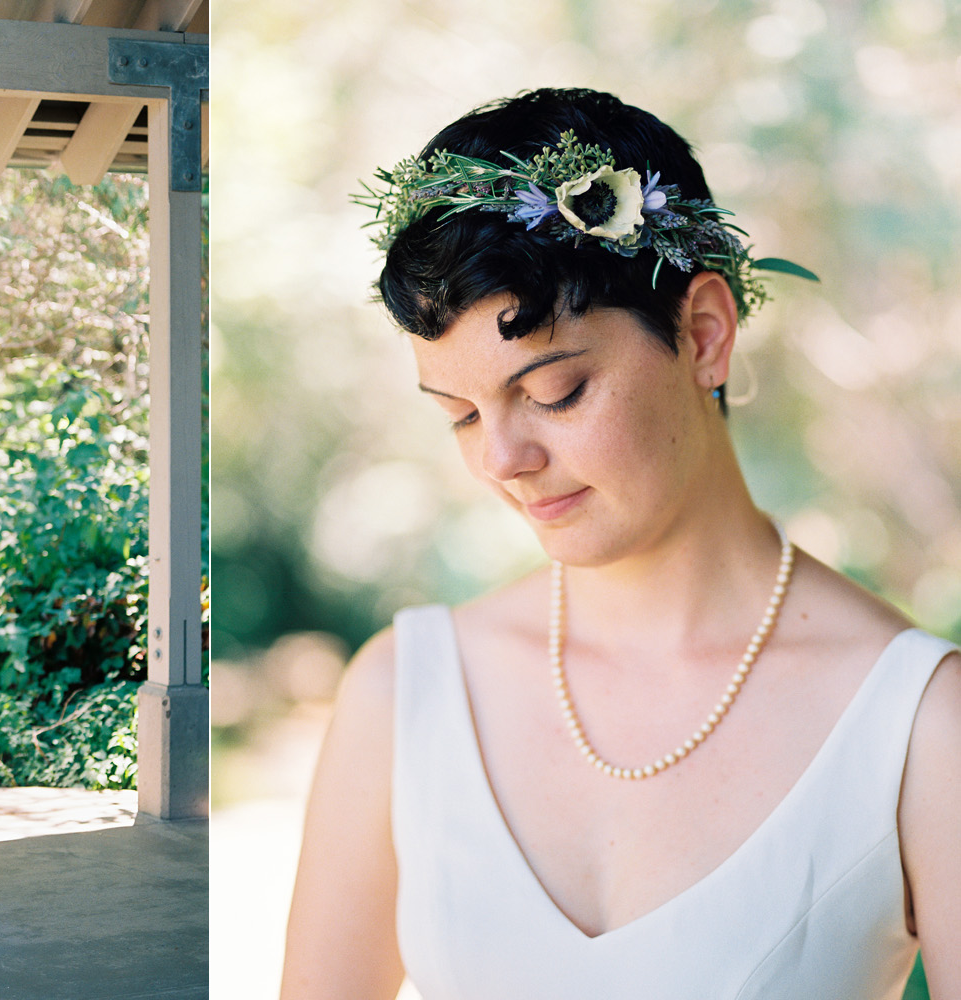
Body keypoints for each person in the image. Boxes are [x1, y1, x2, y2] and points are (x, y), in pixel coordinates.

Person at [281, 89, 961, 998]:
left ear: (703, 334)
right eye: (459, 416)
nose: (504, 459)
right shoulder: (402, 691)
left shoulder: (921, 727)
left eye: (556, 391)